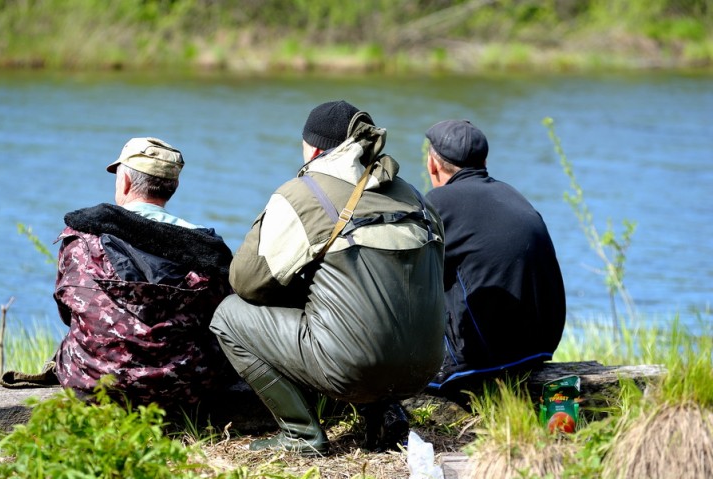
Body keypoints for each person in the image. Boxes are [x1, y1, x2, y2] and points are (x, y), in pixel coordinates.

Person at [210, 100, 446, 456]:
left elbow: (245, 281)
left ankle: (301, 435)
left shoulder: (306, 194)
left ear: (315, 149)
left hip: (353, 369)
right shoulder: (414, 195)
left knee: (228, 315)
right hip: (424, 368)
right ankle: (383, 412)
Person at [52, 137, 237, 415]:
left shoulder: (80, 239)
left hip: (92, 383)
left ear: (124, 181)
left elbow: (68, 313)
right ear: (173, 186)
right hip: (184, 388)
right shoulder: (208, 251)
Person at [423, 119, 566, 396]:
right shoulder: (512, 194)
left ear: (433, 164)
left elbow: (412, 279)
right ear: (484, 160)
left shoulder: (438, 203)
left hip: (484, 360)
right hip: (539, 347)